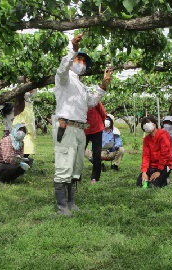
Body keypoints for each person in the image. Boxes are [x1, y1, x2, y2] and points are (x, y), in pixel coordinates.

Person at [52, 33, 112, 215]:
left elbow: (91, 103)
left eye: (84, 62)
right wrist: (73, 49)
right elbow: (62, 69)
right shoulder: (64, 78)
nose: (81, 63)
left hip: (79, 129)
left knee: (76, 166)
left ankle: (70, 202)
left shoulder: (81, 85)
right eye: (79, 60)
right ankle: (62, 206)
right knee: (64, 164)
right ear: (71, 61)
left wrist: (103, 86)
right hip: (66, 126)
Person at [136, 116, 172, 188]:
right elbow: (145, 156)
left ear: (154, 124)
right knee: (140, 183)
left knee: (153, 185)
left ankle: (165, 179)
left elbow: (165, 154)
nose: (146, 125)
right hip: (151, 166)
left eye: (148, 123)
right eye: (144, 124)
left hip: (164, 165)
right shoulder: (146, 139)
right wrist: (144, 172)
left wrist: (158, 171)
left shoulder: (163, 135)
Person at [12, 89, 37, 165]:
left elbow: (34, 91)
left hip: (28, 122)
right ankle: (19, 160)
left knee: (28, 144)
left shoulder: (29, 100)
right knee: (22, 142)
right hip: (22, 121)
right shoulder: (23, 97)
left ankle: (21, 160)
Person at [84, 102, 107, 183]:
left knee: (96, 153)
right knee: (79, 152)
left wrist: (102, 123)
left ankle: (95, 177)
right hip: (83, 129)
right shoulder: (77, 100)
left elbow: (102, 112)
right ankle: (76, 175)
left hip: (96, 127)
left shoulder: (94, 99)